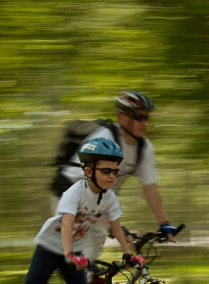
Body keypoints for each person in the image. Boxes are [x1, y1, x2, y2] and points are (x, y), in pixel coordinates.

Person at [8, 138, 144, 284]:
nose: (112, 176)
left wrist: (129, 255)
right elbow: (67, 224)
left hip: (74, 251)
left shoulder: (108, 197)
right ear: (89, 171)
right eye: (106, 170)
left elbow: (117, 228)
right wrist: (69, 253)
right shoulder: (75, 192)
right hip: (50, 247)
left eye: (115, 171)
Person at [52, 90, 179, 261]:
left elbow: (150, 189)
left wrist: (164, 224)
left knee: (95, 243)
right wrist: (113, 225)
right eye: (138, 117)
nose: (144, 123)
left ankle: (84, 283)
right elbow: (92, 186)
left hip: (94, 201)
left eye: (147, 118)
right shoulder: (105, 140)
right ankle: (72, 282)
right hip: (68, 194)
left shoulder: (143, 148)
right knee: (81, 247)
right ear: (122, 118)